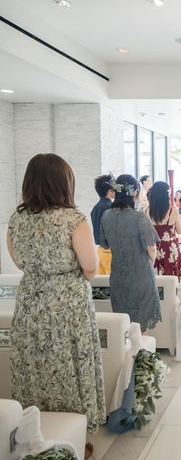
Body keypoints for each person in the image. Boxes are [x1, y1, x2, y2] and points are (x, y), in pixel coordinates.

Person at [7, 154, 106, 437]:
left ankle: (34, 431)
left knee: (33, 362)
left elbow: (19, 262)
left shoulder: (17, 219)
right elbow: (90, 267)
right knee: (69, 362)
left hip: (30, 301)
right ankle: (73, 433)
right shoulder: (73, 219)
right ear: (64, 183)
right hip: (68, 303)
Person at [100, 174, 161, 332]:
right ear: (134, 192)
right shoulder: (139, 217)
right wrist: (150, 264)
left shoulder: (106, 216)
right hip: (141, 276)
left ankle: (126, 349)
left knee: (123, 325)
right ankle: (139, 348)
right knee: (140, 327)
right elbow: (151, 248)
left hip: (118, 277)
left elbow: (105, 244)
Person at [91, 173, 115, 275]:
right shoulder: (110, 208)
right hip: (109, 251)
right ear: (109, 191)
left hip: (100, 251)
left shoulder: (95, 208)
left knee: (101, 282)